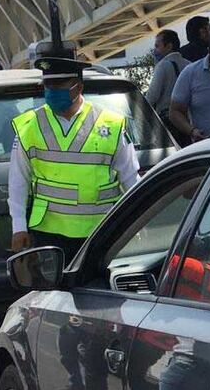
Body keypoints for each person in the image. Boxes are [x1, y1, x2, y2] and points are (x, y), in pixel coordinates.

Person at [9, 54, 141, 259]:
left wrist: (137, 221)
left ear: (78, 87)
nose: (51, 92)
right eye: (48, 86)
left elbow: (131, 179)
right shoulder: (29, 126)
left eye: (59, 86)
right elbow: (18, 180)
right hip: (48, 233)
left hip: (101, 231)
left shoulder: (111, 125)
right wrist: (19, 227)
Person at [144, 29, 189, 143]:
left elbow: (152, 96)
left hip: (168, 122)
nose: (155, 50)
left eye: (157, 46)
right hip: (188, 122)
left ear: (169, 46)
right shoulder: (189, 65)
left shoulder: (163, 66)